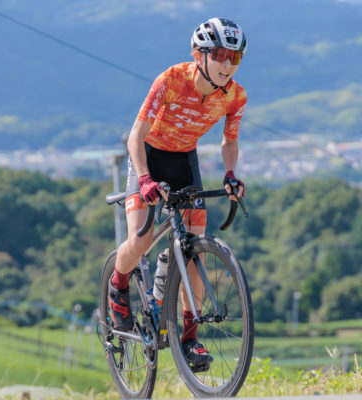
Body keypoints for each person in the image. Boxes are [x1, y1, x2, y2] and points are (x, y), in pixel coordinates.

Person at [108, 17, 247, 368]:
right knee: (141, 240)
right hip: (148, 157)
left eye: (234, 57)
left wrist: (231, 174)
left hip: (185, 160)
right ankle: (118, 285)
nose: (227, 65)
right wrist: (144, 179)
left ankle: (189, 338)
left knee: (194, 250)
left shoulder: (235, 96)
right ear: (199, 54)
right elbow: (136, 136)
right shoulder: (170, 80)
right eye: (220, 55)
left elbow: (229, 142)